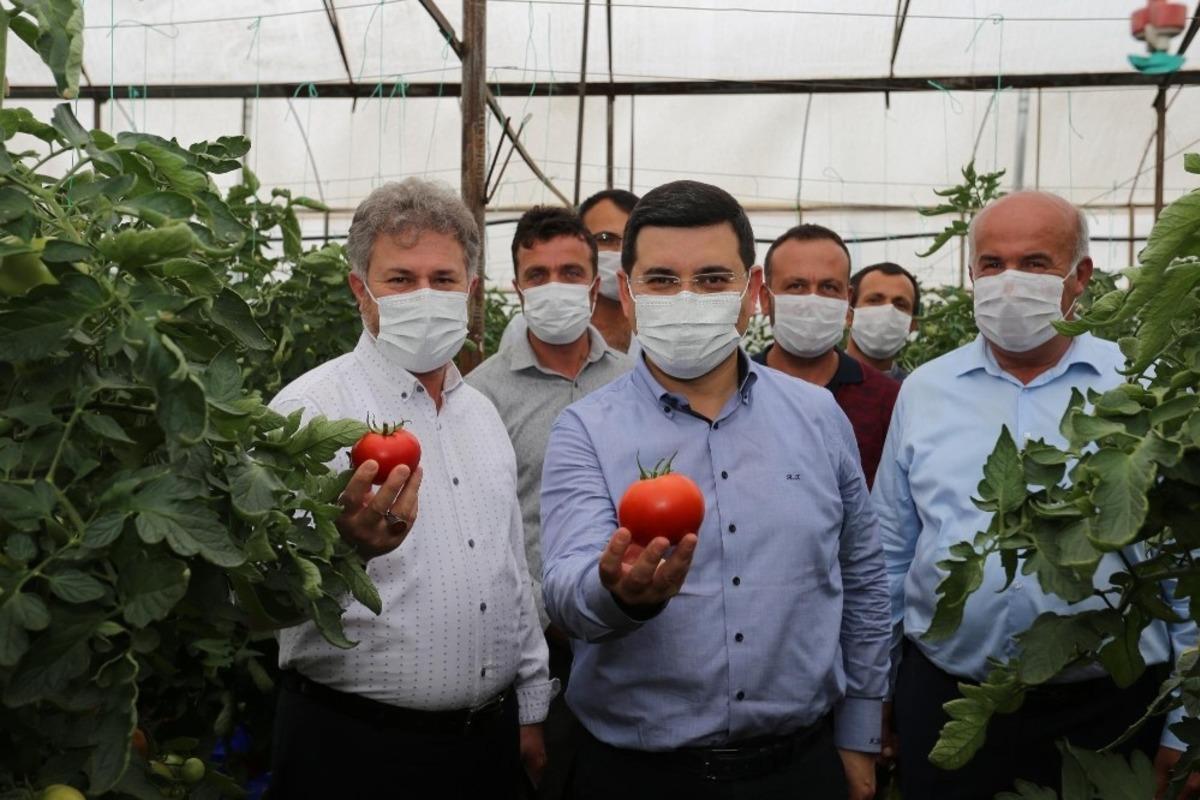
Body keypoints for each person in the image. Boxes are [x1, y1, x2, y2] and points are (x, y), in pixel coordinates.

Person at [540, 180, 891, 800]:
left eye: (711, 279)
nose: (687, 298)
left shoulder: (818, 418)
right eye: (661, 280)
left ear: (751, 293)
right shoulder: (585, 429)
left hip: (797, 769)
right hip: (637, 778)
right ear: (627, 293)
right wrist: (618, 593)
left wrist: (860, 732)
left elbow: (862, 575)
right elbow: (566, 589)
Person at [873, 191, 1197, 799]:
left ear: (1081, 276)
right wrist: (876, 695)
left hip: (1110, 708)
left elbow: (1186, 567)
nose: (1010, 281)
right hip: (950, 696)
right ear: (972, 275)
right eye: (992, 264)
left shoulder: (1141, 384)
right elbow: (890, 554)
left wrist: (1187, 724)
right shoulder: (926, 390)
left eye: (1035, 263)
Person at [267, 178, 555, 799]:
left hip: (487, 744)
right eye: (400, 279)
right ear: (360, 290)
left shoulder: (481, 415)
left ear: (471, 291)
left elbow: (511, 572)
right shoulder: (306, 413)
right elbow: (257, 596)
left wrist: (532, 704)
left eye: (443, 279)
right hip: (353, 748)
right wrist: (345, 550)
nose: (425, 295)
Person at [467, 206, 630, 798]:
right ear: (517, 287)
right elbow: (484, 531)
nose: (554, 286)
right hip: (537, 644)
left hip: (632, 631)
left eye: (570, 272)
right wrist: (545, 619)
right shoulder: (482, 395)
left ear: (593, 283)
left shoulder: (636, 379)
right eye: (538, 275)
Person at [754, 224, 900, 487]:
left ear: (848, 300)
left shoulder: (887, 400)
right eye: (796, 286)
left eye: (829, 287)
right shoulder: (734, 389)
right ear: (765, 299)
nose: (812, 300)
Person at [579, 189, 639, 352]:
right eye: (605, 239)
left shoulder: (666, 332)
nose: (620, 252)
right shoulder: (545, 328)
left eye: (631, 241)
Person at [846, 261, 920, 382]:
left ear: (912, 325)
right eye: (874, 300)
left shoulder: (913, 390)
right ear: (848, 315)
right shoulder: (818, 384)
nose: (888, 310)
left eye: (900, 305)